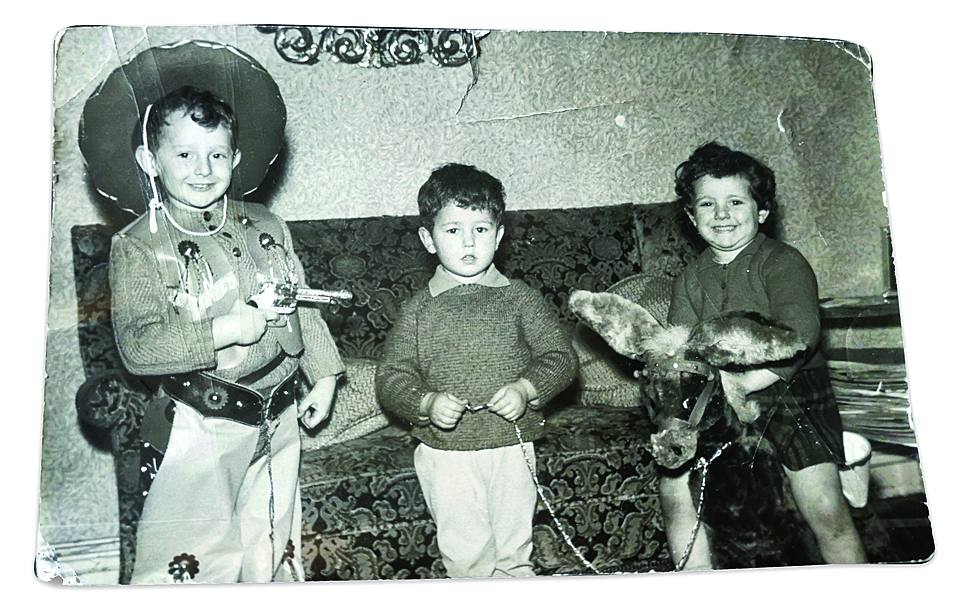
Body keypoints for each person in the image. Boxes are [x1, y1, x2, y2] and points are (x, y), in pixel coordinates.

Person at [83, 42, 344, 584]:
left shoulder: (268, 224)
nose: (203, 169)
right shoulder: (137, 245)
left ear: (237, 159)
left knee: (271, 543)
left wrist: (324, 377)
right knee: (192, 558)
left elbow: (304, 304)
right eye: (184, 155)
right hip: (202, 422)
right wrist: (226, 327)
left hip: (281, 413)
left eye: (217, 155)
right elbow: (140, 346)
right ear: (150, 160)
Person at [662, 142, 866, 569]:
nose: (721, 214)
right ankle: (693, 579)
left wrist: (748, 382)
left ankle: (855, 582)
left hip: (789, 390)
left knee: (825, 507)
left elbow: (800, 334)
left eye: (735, 201)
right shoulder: (689, 278)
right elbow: (680, 347)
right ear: (690, 216)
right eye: (707, 204)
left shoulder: (783, 262)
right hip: (718, 397)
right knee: (676, 488)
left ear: (762, 211)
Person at [375, 163, 577, 578]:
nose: (468, 242)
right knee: (467, 556)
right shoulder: (418, 309)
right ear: (428, 240)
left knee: (514, 553)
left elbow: (561, 357)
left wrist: (526, 388)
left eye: (481, 230)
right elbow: (391, 377)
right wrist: (425, 402)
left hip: (511, 447)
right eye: (453, 231)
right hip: (444, 453)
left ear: (499, 236)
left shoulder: (520, 297)